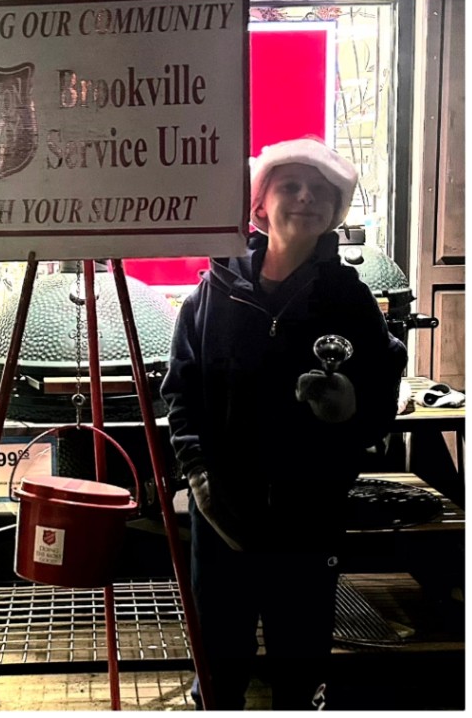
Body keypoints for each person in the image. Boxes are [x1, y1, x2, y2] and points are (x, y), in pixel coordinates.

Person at [162, 138, 404, 710]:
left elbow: (381, 396)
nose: (306, 198)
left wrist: (351, 405)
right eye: (290, 185)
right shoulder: (212, 293)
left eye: (321, 191)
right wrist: (198, 472)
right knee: (220, 659)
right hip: (221, 509)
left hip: (308, 511)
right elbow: (180, 389)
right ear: (259, 205)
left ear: (335, 213)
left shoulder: (351, 300)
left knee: (300, 658)